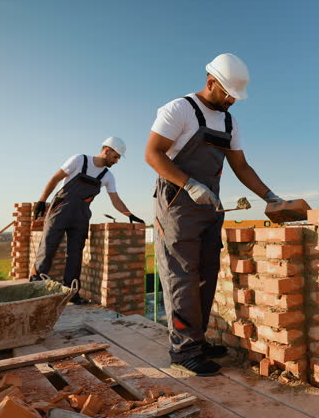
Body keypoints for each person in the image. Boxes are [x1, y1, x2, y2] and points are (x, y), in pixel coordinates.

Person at [145, 53, 284, 376]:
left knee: (206, 274)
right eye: (228, 94)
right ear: (211, 83)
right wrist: (189, 184)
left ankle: (196, 339)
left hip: (211, 206)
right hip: (177, 204)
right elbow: (152, 153)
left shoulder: (229, 122)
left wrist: (269, 196)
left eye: (236, 96)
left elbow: (241, 166)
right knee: (181, 274)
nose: (232, 101)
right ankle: (183, 350)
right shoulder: (179, 110)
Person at [31, 137, 144, 304]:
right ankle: (35, 290)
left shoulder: (107, 176)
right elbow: (55, 178)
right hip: (60, 210)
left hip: (81, 216)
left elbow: (115, 199)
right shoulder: (79, 160)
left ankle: (71, 293)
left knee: (75, 255)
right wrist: (41, 201)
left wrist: (129, 214)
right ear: (107, 150)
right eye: (116, 156)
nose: (117, 161)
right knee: (48, 248)